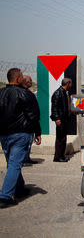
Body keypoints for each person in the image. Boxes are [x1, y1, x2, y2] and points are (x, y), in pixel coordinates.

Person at [0, 68, 42, 208]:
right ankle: (5, 196)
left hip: (4, 134)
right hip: (20, 133)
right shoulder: (25, 94)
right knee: (14, 164)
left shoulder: (1, 93)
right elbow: (33, 115)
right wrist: (37, 132)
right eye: (22, 76)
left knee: (12, 163)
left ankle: (19, 188)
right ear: (18, 78)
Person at [50, 78, 72, 162]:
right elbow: (54, 107)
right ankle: (57, 157)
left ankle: (62, 156)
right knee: (60, 138)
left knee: (63, 138)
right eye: (71, 83)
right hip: (60, 119)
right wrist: (56, 118)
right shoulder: (58, 93)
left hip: (64, 118)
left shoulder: (64, 92)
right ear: (68, 83)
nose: (71, 85)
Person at [21, 75, 40, 165]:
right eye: (30, 81)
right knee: (24, 144)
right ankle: (23, 160)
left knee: (28, 144)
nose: (31, 83)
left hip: (28, 125)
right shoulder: (24, 94)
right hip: (25, 125)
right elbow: (31, 113)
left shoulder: (28, 93)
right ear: (26, 82)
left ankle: (26, 158)